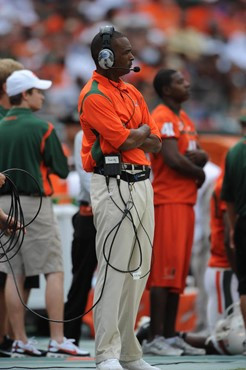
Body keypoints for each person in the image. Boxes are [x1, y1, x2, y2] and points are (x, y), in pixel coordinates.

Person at [78, 25, 161, 370]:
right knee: (114, 270)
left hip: (141, 183)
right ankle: (106, 354)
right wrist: (137, 135)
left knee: (138, 271)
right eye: (126, 52)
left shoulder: (132, 92)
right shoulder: (94, 94)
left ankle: (129, 353)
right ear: (106, 58)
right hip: (113, 185)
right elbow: (127, 141)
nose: (132, 56)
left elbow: (154, 141)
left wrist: (136, 134)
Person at [0, 69, 86, 357]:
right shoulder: (42, 128)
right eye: (37, 91)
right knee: (54, 269)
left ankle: (20, 339)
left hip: (3, 206)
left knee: (15, 273)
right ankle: (57, 337)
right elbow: (61, 168)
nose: (42, 96)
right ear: (24, 95)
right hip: (35, 203)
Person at [143, 69, 207, 356]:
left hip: (185, 201)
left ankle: (169, 335)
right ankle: (156, 336)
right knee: (163, 273)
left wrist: (202, 160)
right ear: (167, 90)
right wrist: (198, 172)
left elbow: (197, 152)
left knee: (178, 274)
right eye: (181, 82)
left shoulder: (184, 119)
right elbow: (170, 157)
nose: (188, 83)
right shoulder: (162, 116)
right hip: (167, 200)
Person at [0, 59, 39, 358]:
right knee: (11, 275)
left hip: (7, 203)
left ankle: (7, 338)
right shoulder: (27, 122)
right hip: (23, 199)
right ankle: (11, 337)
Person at [64, 129, 97, 352]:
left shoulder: (119, 130)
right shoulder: (82, 135)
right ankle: (70, 337)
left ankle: (114, 338)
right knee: (81, 279)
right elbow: (86, 176)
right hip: (91, 213)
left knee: (116, 279)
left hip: (111, 212)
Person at [221, 111, 246, 340]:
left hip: (241, 222)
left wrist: (232, 226)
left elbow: (227, 197)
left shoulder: (235, 151)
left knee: (244, 286)